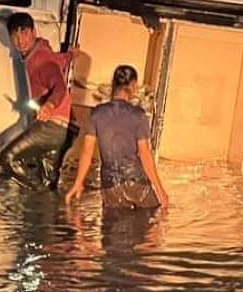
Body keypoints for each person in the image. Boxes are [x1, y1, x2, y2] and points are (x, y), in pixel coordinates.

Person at [65, 65, 169, 210]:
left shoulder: (96, 114)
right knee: (148, 224)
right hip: (136, 183)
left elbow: (86, 153)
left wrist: (78, 183)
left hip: (110, 186)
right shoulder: (138, 115)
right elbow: (145, 154)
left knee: (112, 228)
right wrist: (160, 190)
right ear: (133, 86)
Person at [0, 12, 77, 190]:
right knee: (49, 182)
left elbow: (60, 87)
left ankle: (37, 191)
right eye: (15, 35)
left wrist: (49, 105)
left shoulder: (40, 59)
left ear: (34, 32)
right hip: (60, 130)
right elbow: (60, 61)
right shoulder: (43, 54)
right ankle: (44, 201)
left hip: (50, 126)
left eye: (24, 33)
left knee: (8, 158)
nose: (20, 40)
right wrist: (71, 56)